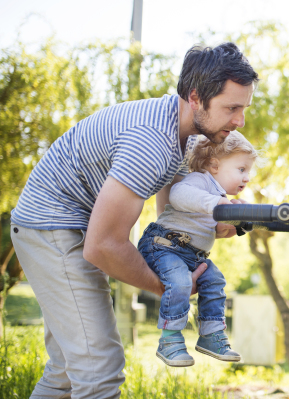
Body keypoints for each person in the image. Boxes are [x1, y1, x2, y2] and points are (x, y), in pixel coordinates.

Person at [10, 42, 259, 398]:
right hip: (51, 227)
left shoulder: (183, 134)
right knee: (98, 370)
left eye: (244, 108)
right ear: (195, 97)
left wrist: (199, 236)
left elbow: (170, 214)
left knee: (67, 371)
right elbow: (103, 245)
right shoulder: (153, 142)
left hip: (66, 224)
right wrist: (168, 286)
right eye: (232, 108)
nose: (239, 122)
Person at [137, 131, 258, 367]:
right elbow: (178, 194)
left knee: (215, 281)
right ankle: (169, 340)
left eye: (248, 171)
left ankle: (210, 335)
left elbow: (219, 229)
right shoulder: (200, 180)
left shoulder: (221, 196)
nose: (247, 177)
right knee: (180, 282)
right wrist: (217, 204)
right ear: (214, 165)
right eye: (241, 169)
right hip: (164, 246)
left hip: (192, 255)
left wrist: (241, 221)